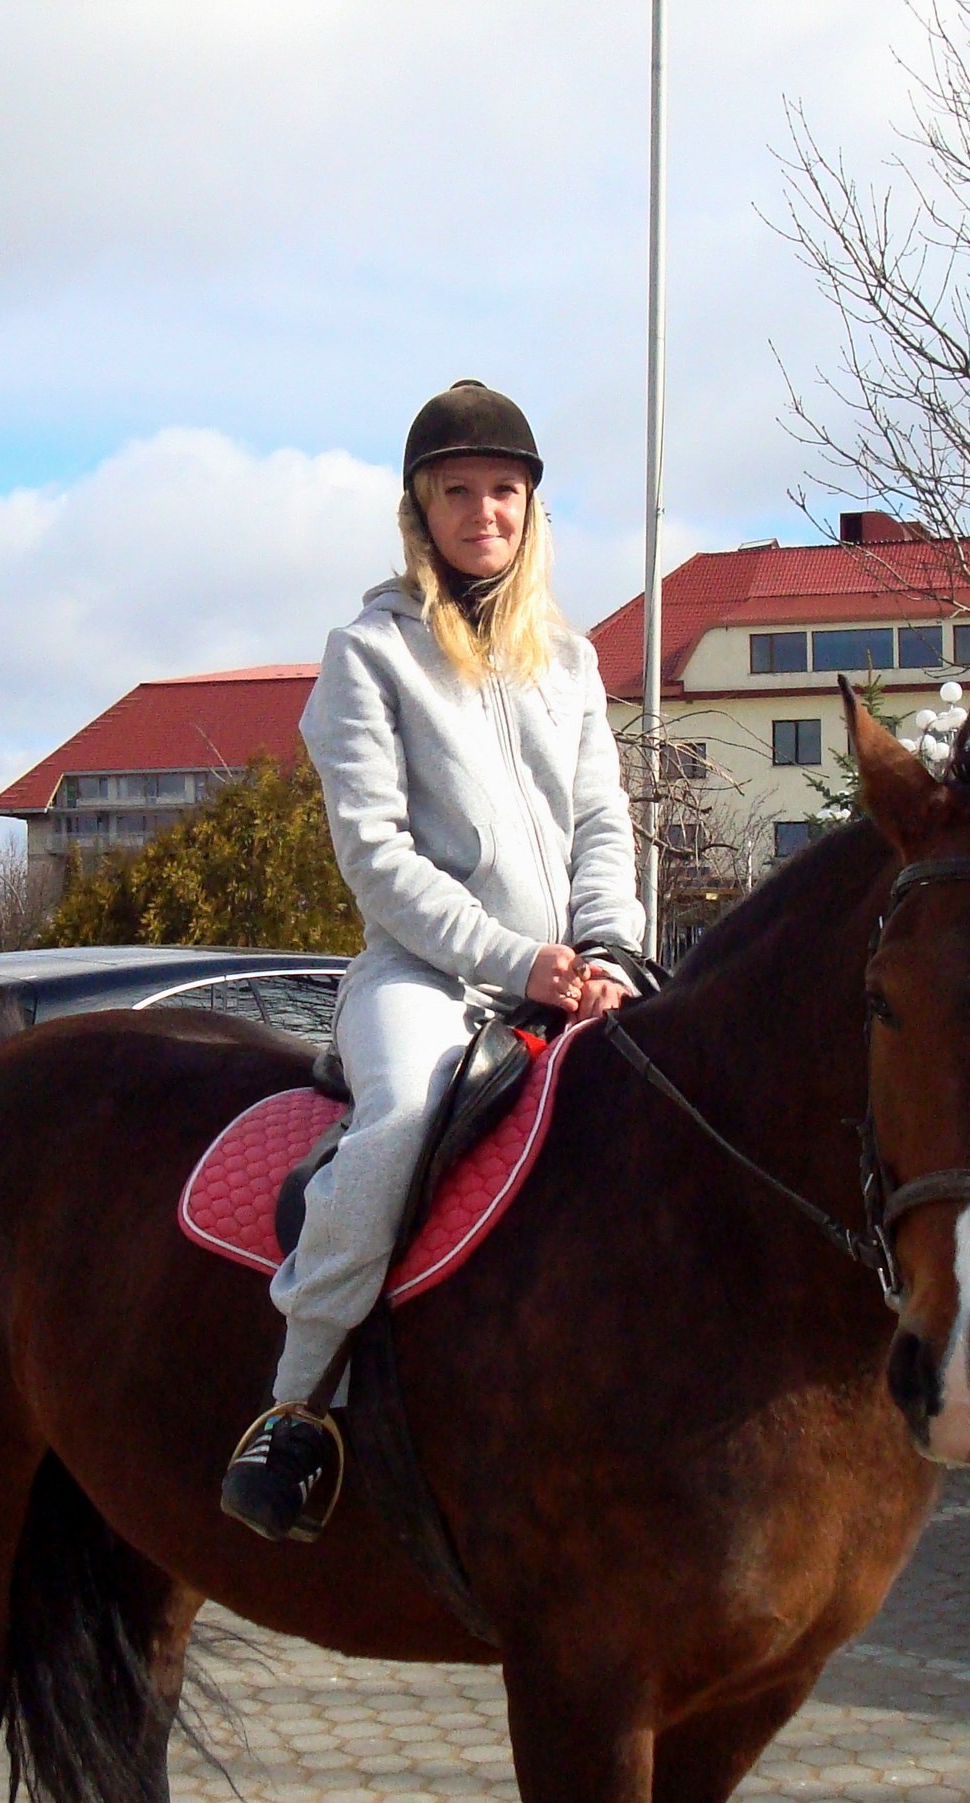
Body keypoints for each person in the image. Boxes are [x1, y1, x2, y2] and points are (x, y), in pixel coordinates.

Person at [219, 380, 646, 1543]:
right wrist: (518, 959)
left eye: (503, 490)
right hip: (424, 979)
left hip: (574, 972)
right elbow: (378, 859)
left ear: (530, 506)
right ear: (419, 509)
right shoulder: (367, 655)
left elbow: (601, 827)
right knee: (404, 1118)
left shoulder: (569, 661)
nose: (483, 512)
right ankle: (296, 1406)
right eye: (457, 491)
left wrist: (608, 951)